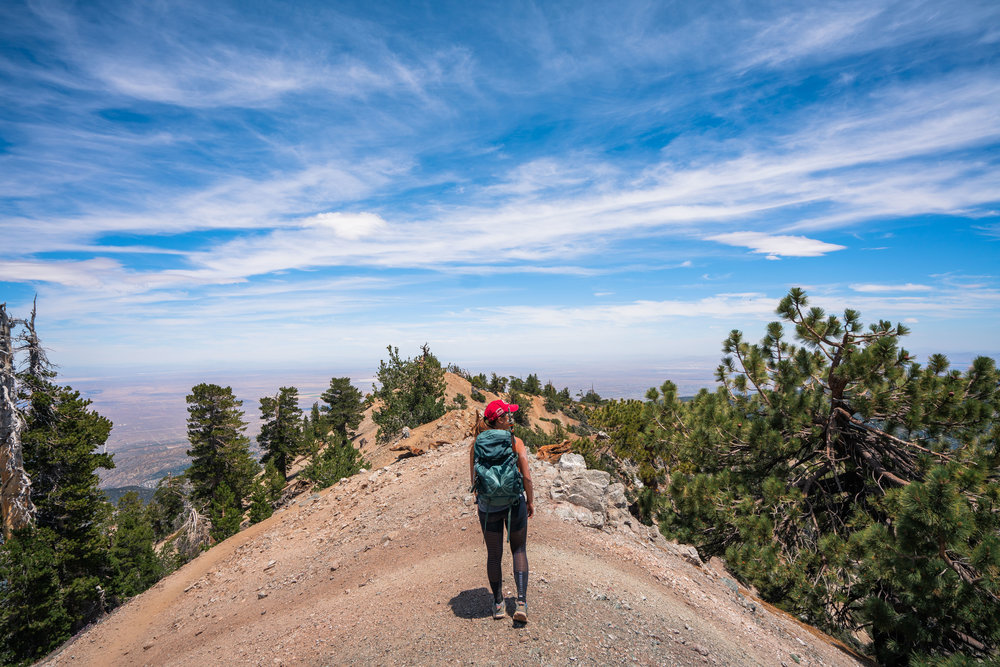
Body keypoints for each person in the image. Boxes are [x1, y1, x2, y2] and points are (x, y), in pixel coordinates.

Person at [470, 399, 534, 623]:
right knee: (519, 550)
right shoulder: (516, 442)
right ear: (500, 419)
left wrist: (484, 501)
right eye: (508, 414)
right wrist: (530, 501)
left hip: (489, 508)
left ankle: (498, 604)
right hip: (514, 503)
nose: (511, 417)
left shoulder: (477, 443)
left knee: (494, 554)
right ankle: (521, 603)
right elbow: (526, 476)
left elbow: (474, 481)